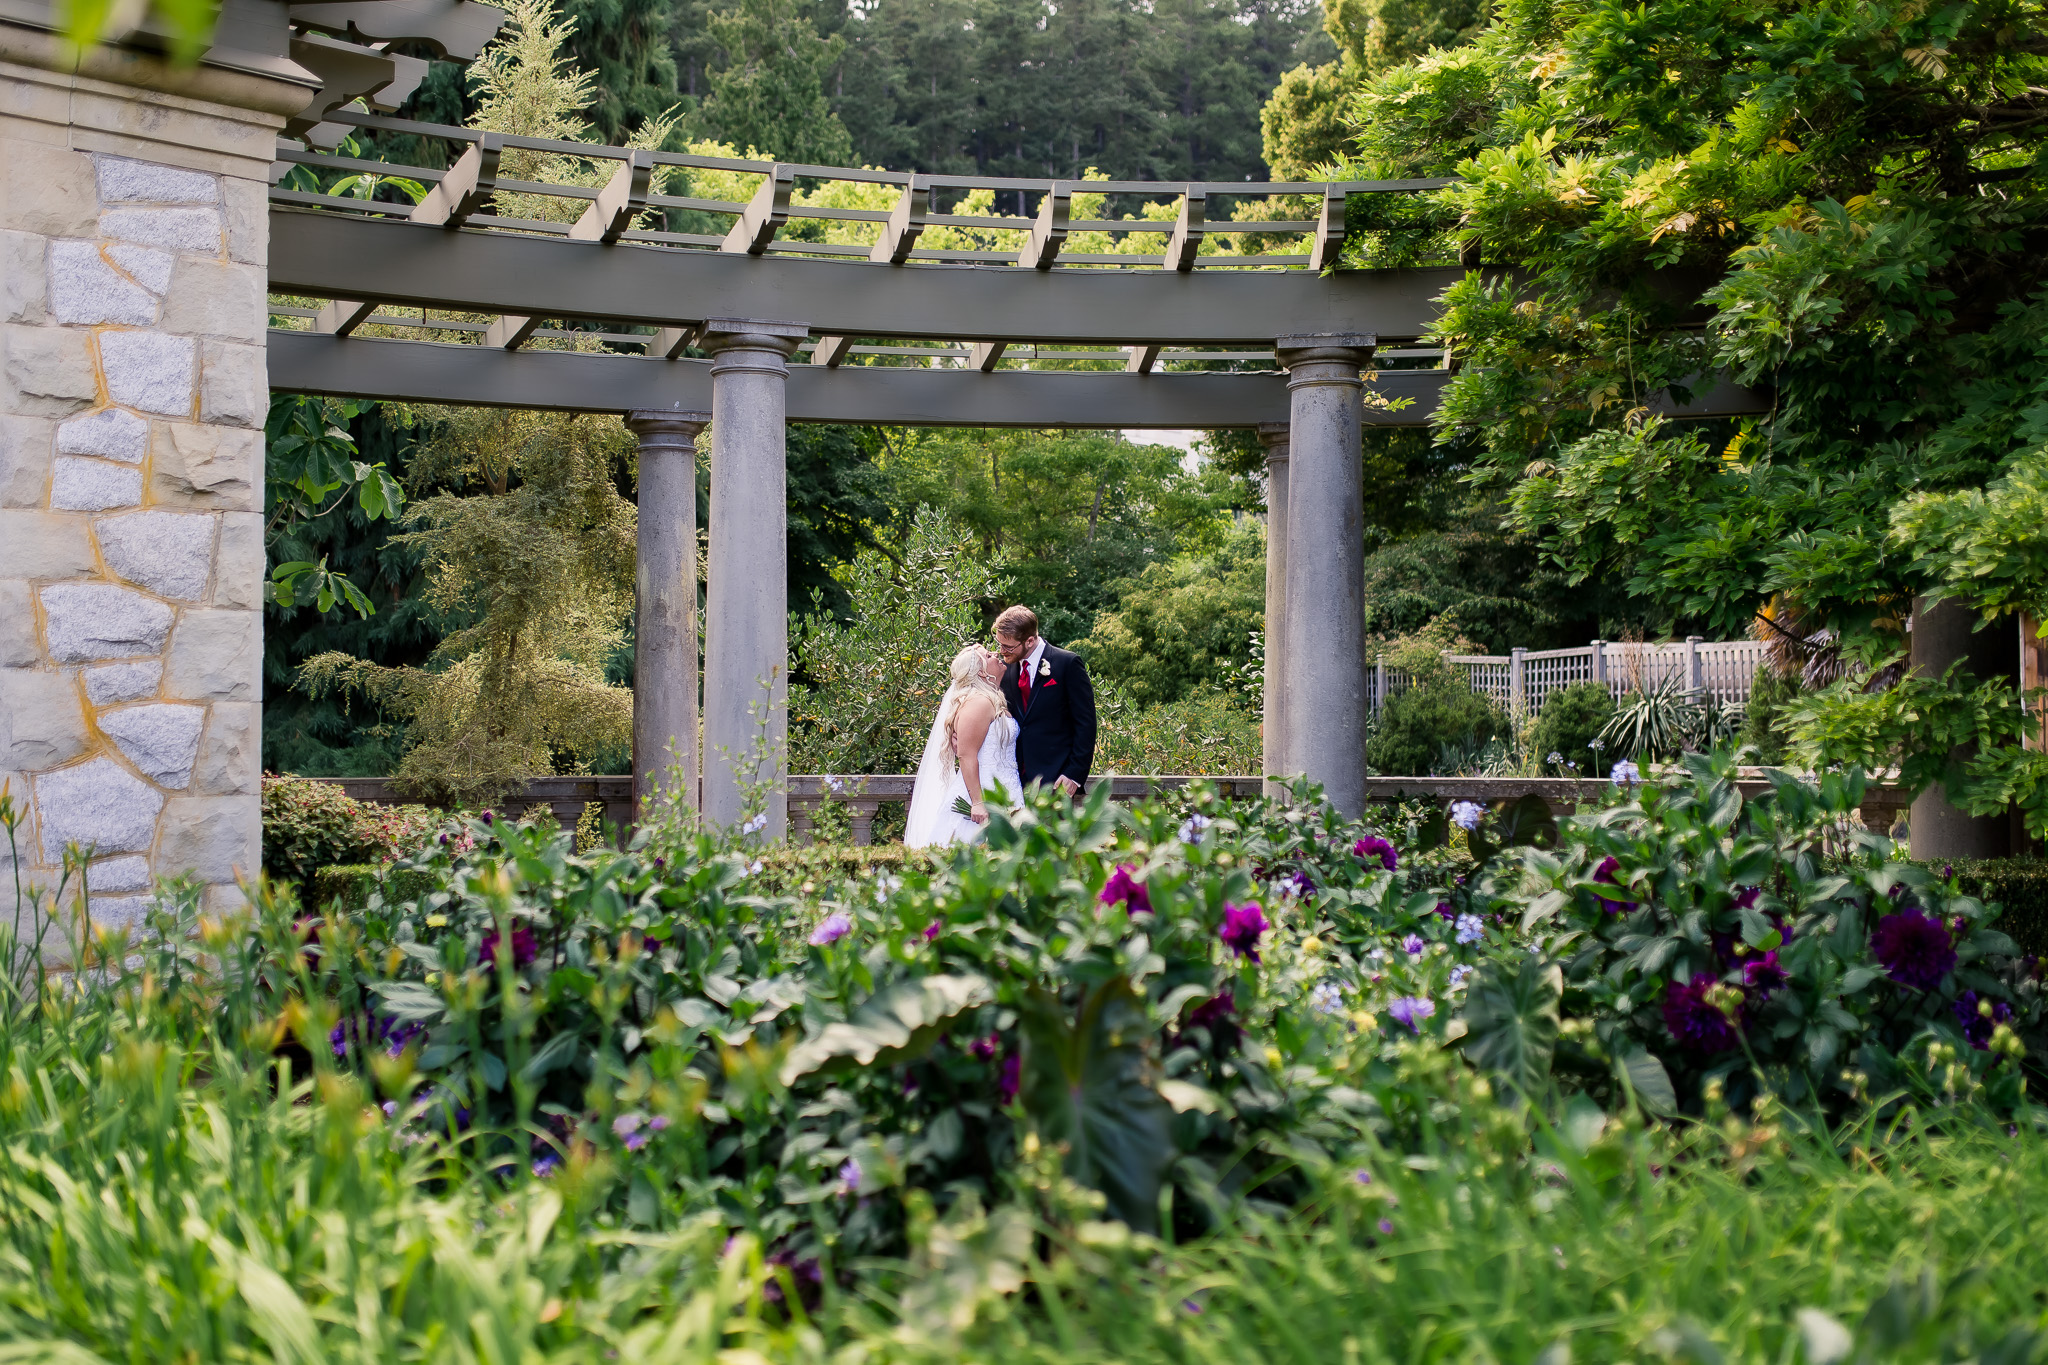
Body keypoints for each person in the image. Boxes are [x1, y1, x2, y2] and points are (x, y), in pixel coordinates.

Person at [904, 643, 1023, 847]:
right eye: (988, 655)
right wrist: (977, 802)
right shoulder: (979, 702)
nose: (996, 655)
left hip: (1007, 788)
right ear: (981, 671)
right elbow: (966, 755)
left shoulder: (992, 699)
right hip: (983, 795)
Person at [993, 605, 1097, 797]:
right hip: (1015, 783)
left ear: (1030, 641)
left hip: (1057, 782)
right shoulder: (1006, 670)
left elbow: (1086, 724)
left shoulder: (1067, 664)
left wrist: (1074, 774)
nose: (1002, 651)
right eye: (999, 643)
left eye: (1008, 646)